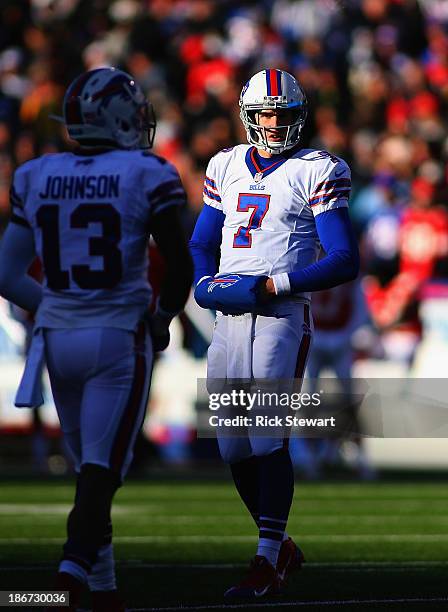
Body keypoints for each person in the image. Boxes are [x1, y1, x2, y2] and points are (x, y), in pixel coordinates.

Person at [0, 67, 193, 611]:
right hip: (116, 337)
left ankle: (104, 592)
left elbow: (6, 273)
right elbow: (178, 265)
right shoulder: (146, 172)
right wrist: (161, 319)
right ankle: (63, 577)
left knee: (90, 466)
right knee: (102, 469)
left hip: (57, 342)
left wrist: (58, 306)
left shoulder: (36, 174)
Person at [190, 69, 359, 599]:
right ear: (246, 115)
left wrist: (274, 283)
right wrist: (203, 281)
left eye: (282, 114)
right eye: (264, 113)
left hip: (282, 316)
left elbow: (343, 259)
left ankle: (266, 558)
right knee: (232, 449)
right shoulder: (224, 164)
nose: (272, 123)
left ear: (298, 117)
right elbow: (201, 241)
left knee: (268, 437)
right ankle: (280, 545)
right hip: (228, 320)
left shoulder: (317, 169)